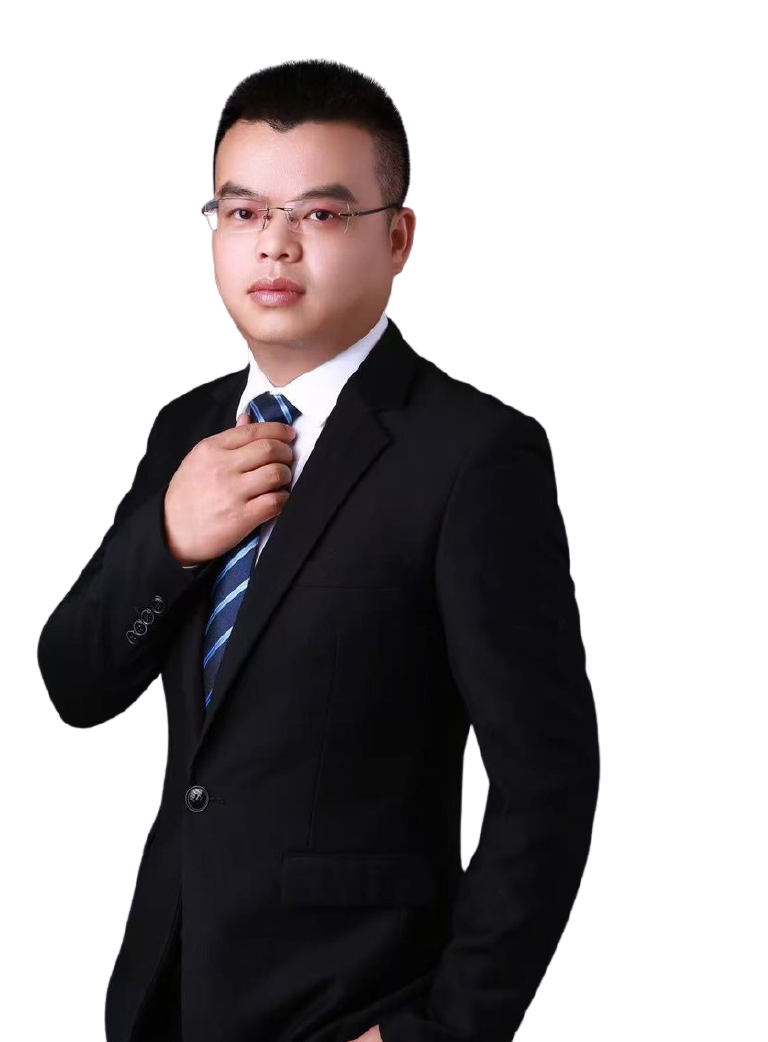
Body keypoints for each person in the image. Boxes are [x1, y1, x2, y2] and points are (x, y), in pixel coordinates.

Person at [36, 56, 601, 1042]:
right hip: (166, 993)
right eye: (243, 212)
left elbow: (547, 782)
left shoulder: (474, 455)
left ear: (399, 237)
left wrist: (443, 1031)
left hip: (355, 1001)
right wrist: (171, 541)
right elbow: (75, 683)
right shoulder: (187, 429)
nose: (276, 244)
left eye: (322, 214)